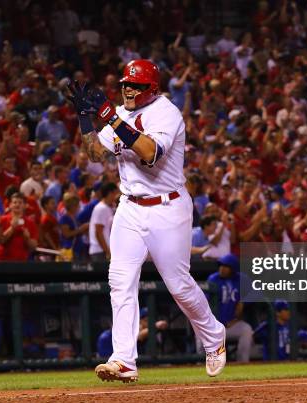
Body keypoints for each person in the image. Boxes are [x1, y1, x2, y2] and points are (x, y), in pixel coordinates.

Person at [66, 59, 225, 382]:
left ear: (150, 89)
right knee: (120, 280)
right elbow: (97, 154)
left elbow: (150, 152)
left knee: (179, 285)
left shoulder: (165, 112)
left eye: (135, 84)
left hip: (168, 207)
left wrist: (109, 116)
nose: (127, 88)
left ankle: (214, 336)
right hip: (130, 206)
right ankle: (124, 360)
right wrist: (86, 119)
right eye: (125, 83)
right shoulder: (120, 114)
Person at [206, 254, 253, 363]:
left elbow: (256, 292)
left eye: (226, 266)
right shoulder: (213, 278)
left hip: (232, 325)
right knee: (200, 334)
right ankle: (201, 365)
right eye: (220, 265)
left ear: (233, 268)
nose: (222, 268)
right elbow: (204, 302)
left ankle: (242, 364)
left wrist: (243, 302)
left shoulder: (241, 279)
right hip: (214, 326)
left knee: (246, 330)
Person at [89, 182, 119, 261]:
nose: (117, 196)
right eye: (116, 193)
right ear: (110, 193)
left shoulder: (108, 208)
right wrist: (107, 251)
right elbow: (98, 232)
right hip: (100, 251)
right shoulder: (101, 209)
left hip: (103, 250)